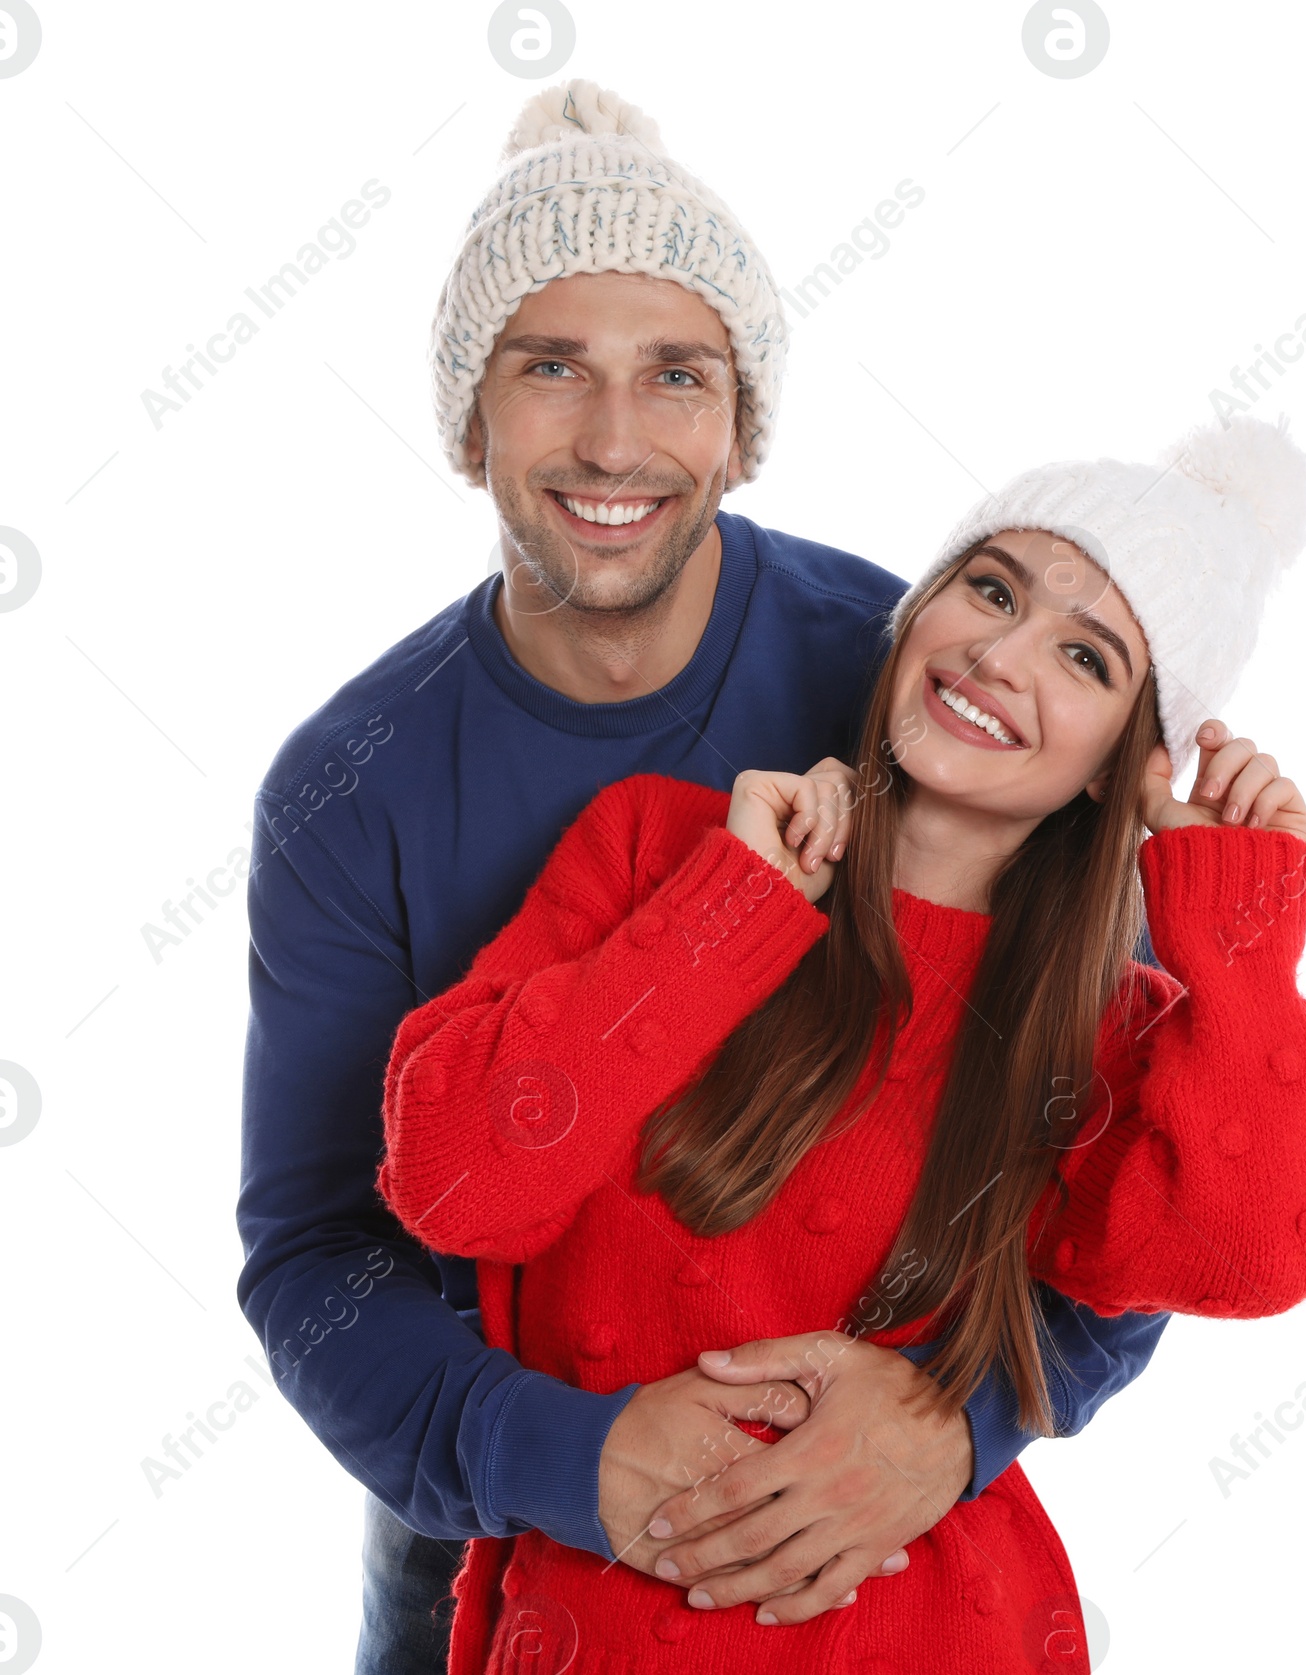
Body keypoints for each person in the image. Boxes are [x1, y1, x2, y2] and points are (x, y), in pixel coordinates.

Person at [234, 78, 1170, 1675]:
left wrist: (956, 1420)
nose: (615, 439)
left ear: (741, 423)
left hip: (868, 1487)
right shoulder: (351, 786)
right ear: (470, 421)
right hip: (497, 1483)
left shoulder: (918, 684)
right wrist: (560, 1455)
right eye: (551, 369)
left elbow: (1112, 1156)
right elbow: (318, 1252)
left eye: (678, 374)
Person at [377, 412, 1306, 1673]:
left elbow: (1247, 1258)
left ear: (1127, 766)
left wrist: (1239, 929)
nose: (1000, 654)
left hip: (937, 1627)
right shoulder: (662, 854)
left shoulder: (1110, 1038)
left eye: (1085, 657)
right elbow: (453, 1179)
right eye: (987, 588)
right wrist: (729, 915)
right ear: (917, 613)